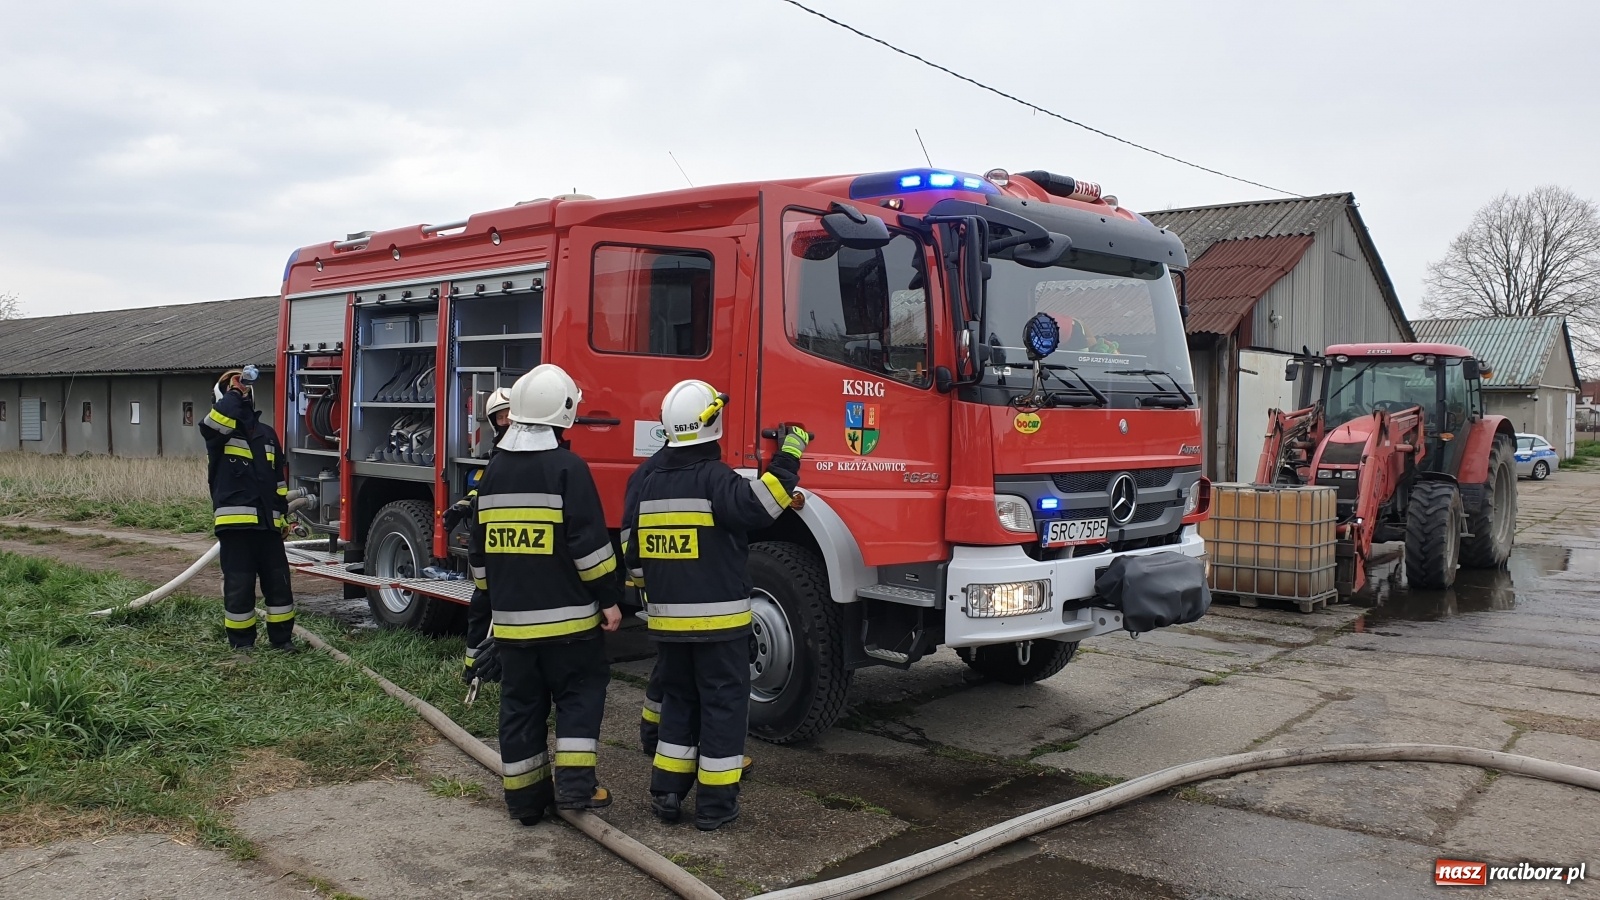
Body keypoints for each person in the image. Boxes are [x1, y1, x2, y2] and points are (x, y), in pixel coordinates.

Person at [622, 380, 809, 831]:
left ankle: (667, 793)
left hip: (667, 625)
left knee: (680, 704)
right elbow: (761, 506)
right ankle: (716, 807)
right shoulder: (715, 479)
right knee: (724, 709)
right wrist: (792, 451)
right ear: (712, 422)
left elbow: (634, 558)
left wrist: (661, 596)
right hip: (720, 627)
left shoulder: (647, 484)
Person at [468, 366, 623, 824]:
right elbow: (590, 545)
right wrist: (610, 599)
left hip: (514, 626)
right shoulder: (568, 468)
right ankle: (576, 790)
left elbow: (478, 550)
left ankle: (525, 802)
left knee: (520, 706)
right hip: (572, 626)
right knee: (579, 696)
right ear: (565, 412)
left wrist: (491, 597)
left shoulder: (493, 472)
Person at [199, 367, 297, 653]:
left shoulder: (267, 434)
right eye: (236, 388)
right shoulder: (220, 434)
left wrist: (281, 520)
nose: (243, 392)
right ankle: (242, 644)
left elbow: (279, 482)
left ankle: (282, 641)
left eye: (244, 388)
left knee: (279, 586)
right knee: (240, 589)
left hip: (268, 527)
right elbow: (213, 421)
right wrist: (232, 391)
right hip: (236, 528)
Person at [443, 387, 512, 684]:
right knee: (482, 605)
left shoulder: (523, 451)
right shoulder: (497, 452)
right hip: (491, 538)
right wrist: (462, 506)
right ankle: (474, 668)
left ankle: (502, 667)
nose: (506, 420)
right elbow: (485, 490)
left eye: (510, 414)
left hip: (511, 538)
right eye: (501, 415)